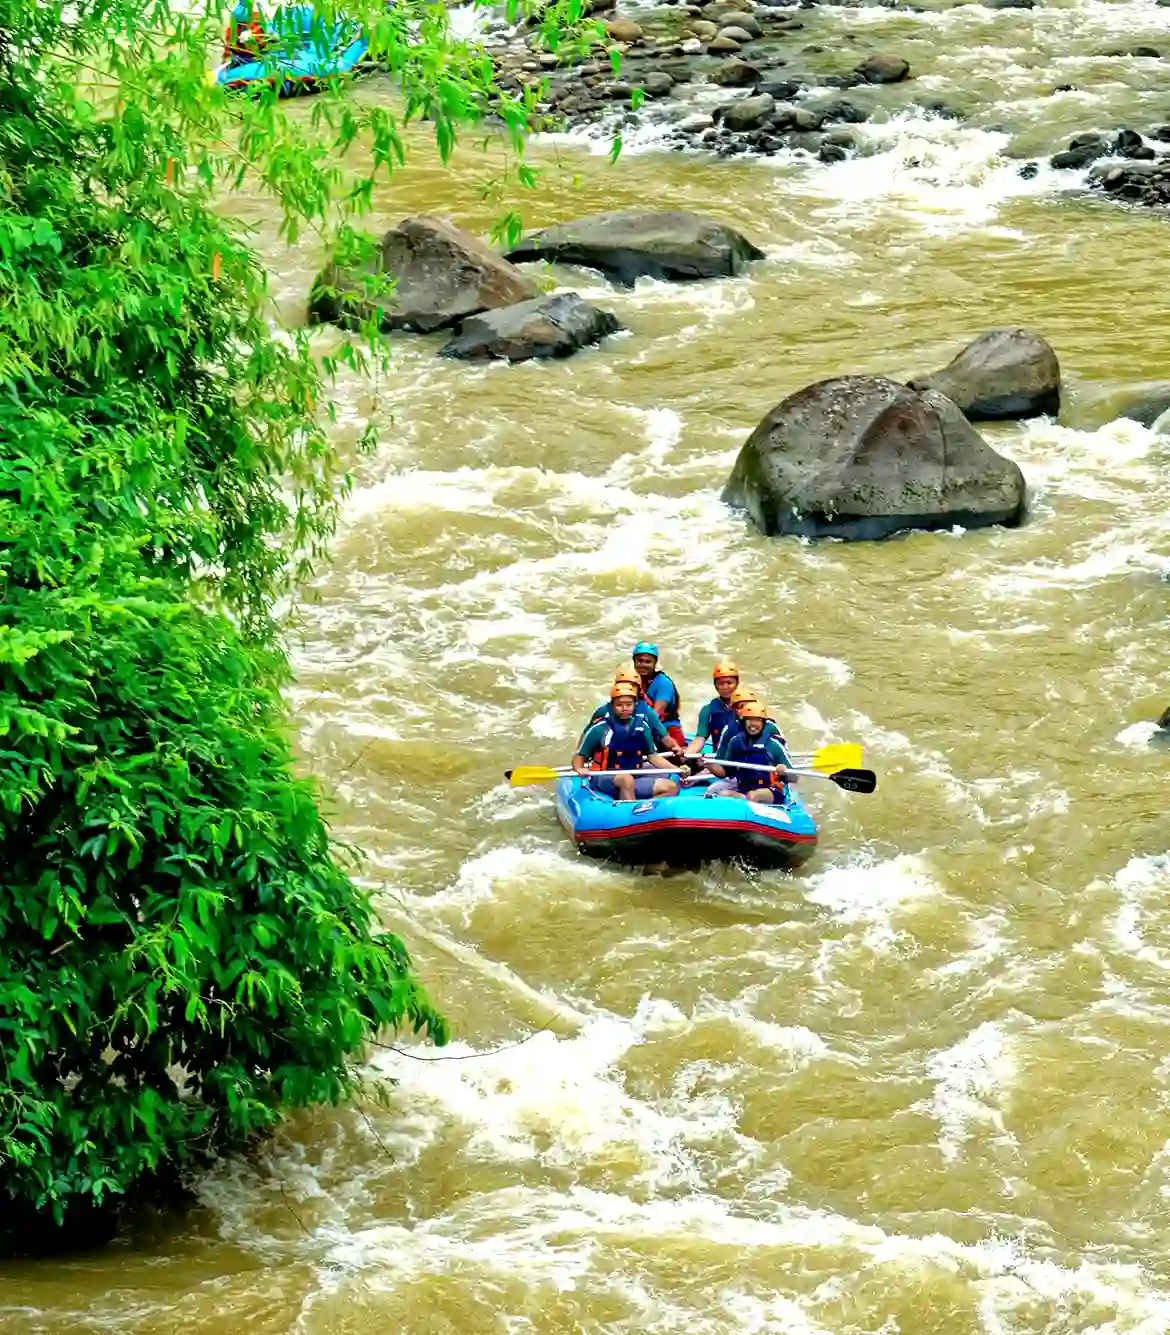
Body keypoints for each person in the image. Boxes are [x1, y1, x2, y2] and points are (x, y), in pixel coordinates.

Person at [574, 684, 680, 802]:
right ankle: (630, 810)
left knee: (671, 787)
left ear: (635, 705)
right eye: (619, 705)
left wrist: (676, 769)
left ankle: (645, 809)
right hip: (604, 776)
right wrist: (579, 768)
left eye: (629, 705)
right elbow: (579, 756)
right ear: (612, 706)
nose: (625, 708)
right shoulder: (599, 729)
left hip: (634, 772)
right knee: (626, 779)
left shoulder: (642, 727)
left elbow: (653, 757)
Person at [703, 702, 794, 804]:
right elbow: (726, 772)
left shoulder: (773, 745)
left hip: (772, 790)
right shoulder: (735, 743)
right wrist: (708, 764)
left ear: (763, 723)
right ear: (743, 722)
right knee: (720, 795)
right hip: (744, 788)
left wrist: (784, 770)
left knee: (753, 796)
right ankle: (743, 801)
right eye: (749, 719)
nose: (753, 724)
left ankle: (746, 802)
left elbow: (794, 777)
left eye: (757, 720)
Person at [631, 641, 685, 749]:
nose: (643, 665)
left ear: (654, 663)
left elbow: (655, 715)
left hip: (667, 731)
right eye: (640, 661)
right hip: (645, 729)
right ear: (634, 662)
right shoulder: (633, 681)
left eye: (648, 662)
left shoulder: (663, 683)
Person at [685, 660, 740, 757]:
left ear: (737, 683)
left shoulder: (748, 706)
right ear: (715, 686)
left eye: (729, 683)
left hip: (745, 758)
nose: (725, 687)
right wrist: (687, 755)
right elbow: (700, 738)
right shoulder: (708, 710)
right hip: (721, 758)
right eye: (721, 684)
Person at [224, 1, 271, 66]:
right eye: (241, 24)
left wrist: (253, 37)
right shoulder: (232, 27)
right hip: (240, 58)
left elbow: (265, 38)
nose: (243, 26)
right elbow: (229, 46)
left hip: (259, 56)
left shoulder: (258, 19)